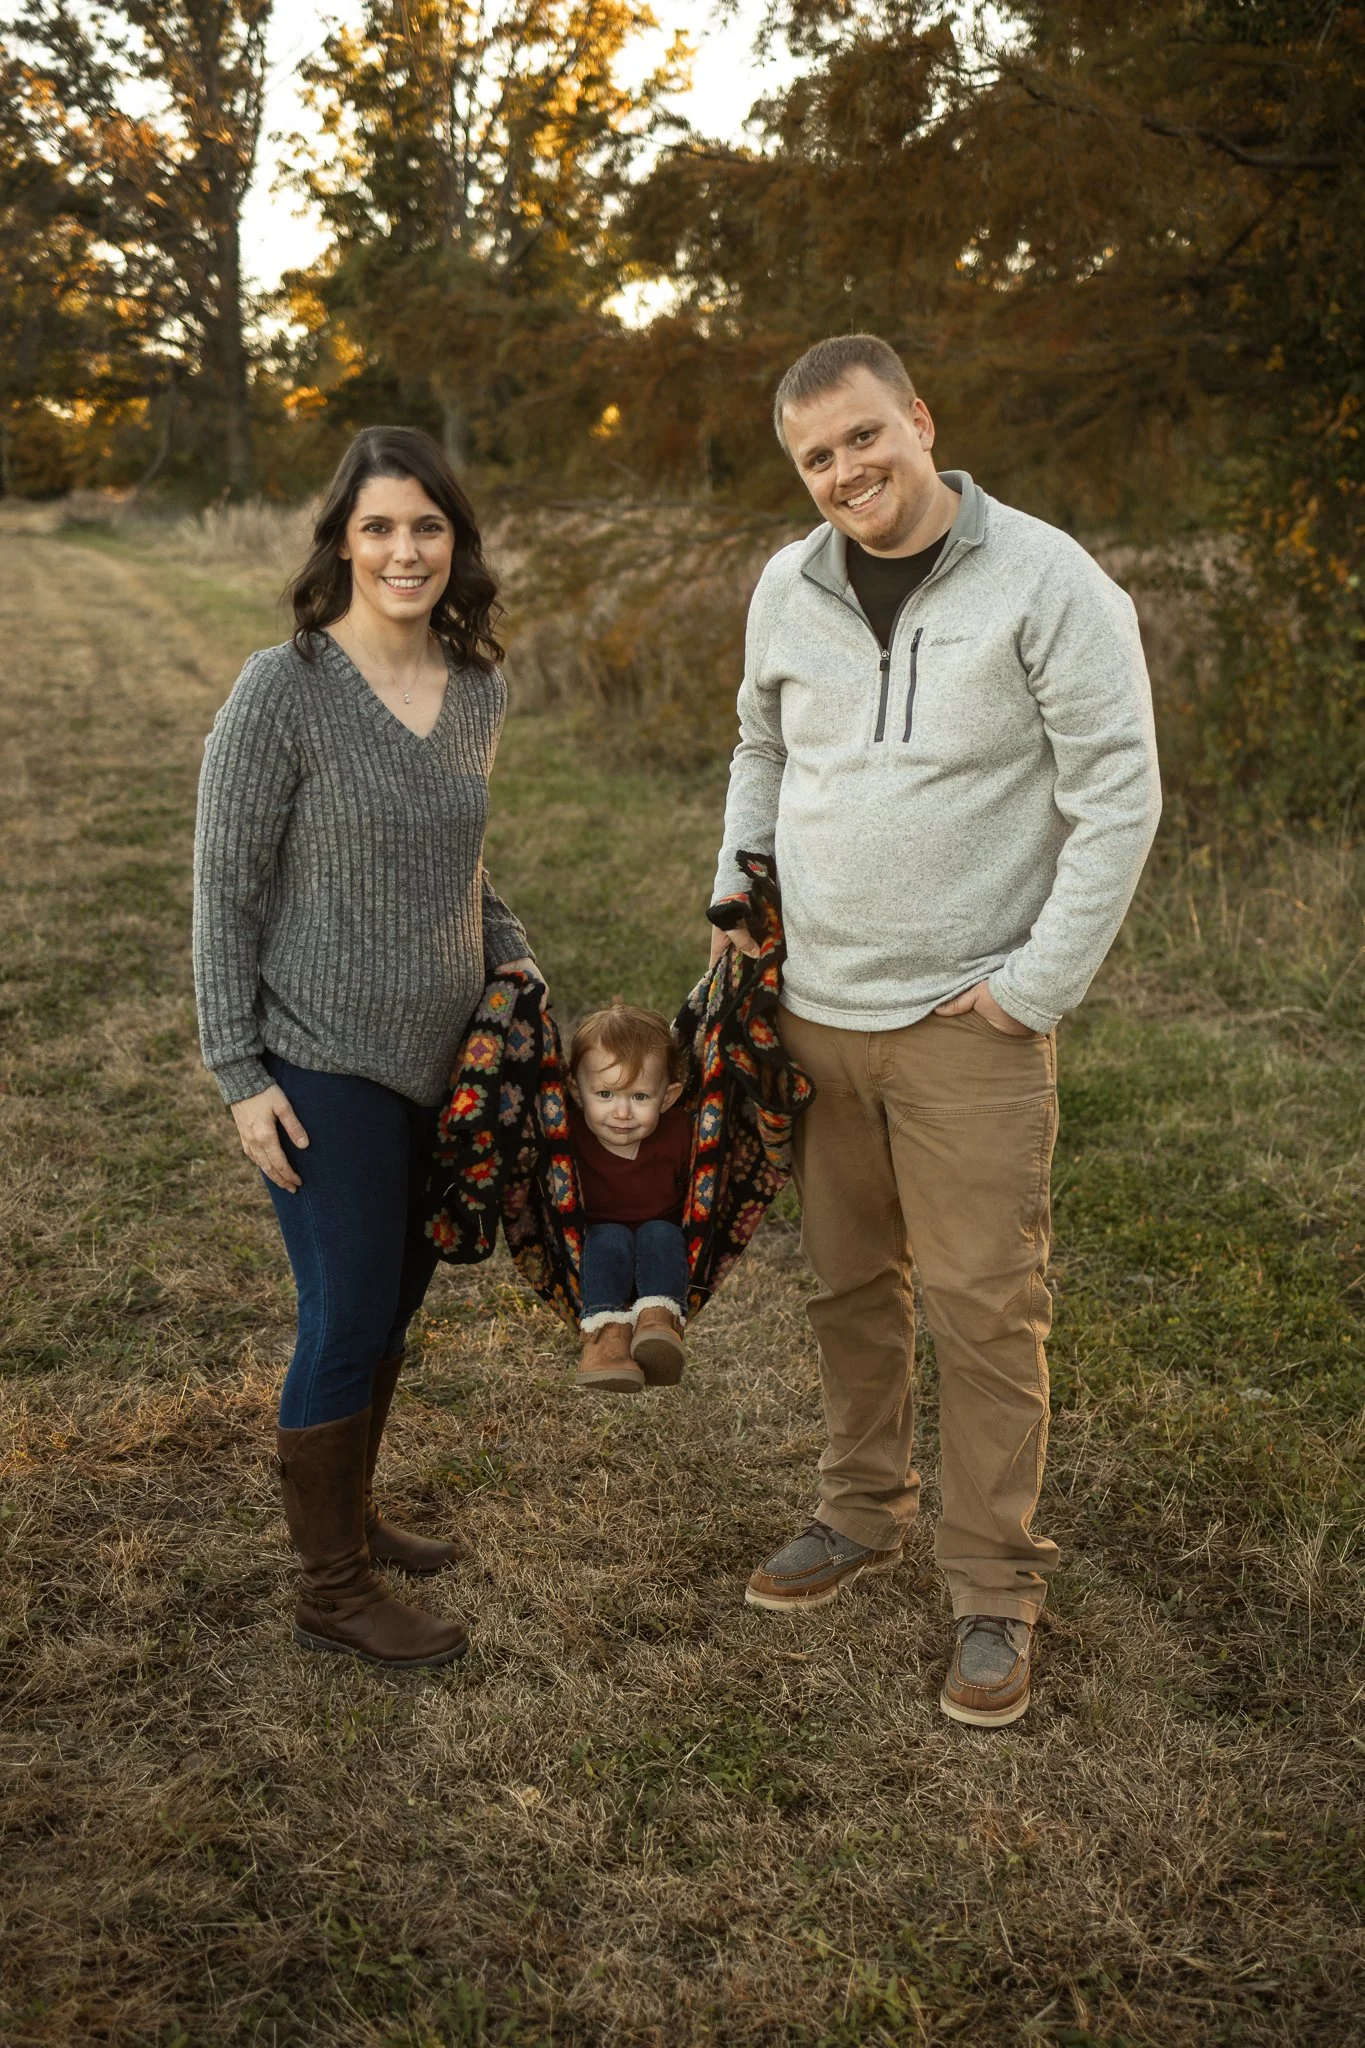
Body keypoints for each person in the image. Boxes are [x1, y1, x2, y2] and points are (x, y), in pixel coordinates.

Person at [709, 334, 1161, 1728]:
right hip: (813, 1011)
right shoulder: (786, 585)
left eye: (863, 437)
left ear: (917, 419)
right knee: (847, 1287)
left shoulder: (1049, 579)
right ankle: (860, 1509)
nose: (846, 472)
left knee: (983, 1307)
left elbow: (1119, 793)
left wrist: (1034, 987)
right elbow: (760, 747)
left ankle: (993, 1589)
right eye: (816, 457)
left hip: (968, 1022)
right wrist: (738, 895)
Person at [193, 425, 540, 1672]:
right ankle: (330, 1588)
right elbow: (225, 891)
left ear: (456, 542)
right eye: (380, 526)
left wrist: (514, 955)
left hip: (446, 1063)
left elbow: (459, 865)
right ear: (343, 540)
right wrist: (240, 1074)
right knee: (344, 1313)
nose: (405, 550)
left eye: (427, 526)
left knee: (393, 1303)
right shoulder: (281, 688)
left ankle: (352, 1513)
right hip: (319, 1057)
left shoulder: (477, 686)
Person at [567, 1002, 692, 1395]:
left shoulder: (683, 1132)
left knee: (660, 1233)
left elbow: (715, 1182)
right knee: (609, 1237)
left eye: (639, 1096)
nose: (621, 1112)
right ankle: (606, 1342)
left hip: (661, 1245)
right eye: (605, 1093)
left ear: (667, 1097)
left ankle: (658, 1324)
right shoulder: (566, 1134)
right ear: (576, 1092)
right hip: (599, 1245)